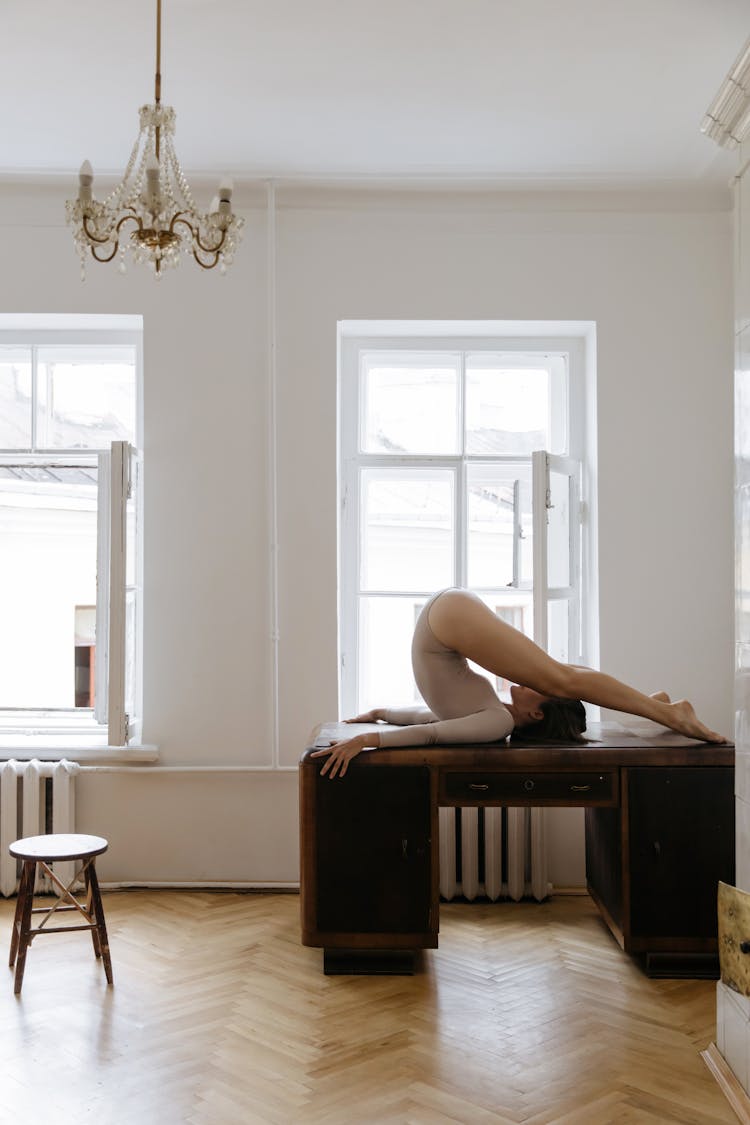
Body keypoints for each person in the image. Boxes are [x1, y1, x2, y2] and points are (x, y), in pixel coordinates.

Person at [313, 587, 727, 779]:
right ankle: (665, 711)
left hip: (448, 619)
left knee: (564, 677)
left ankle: (659, 708)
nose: (528, 683)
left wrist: (376, 725)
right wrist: (378, 724)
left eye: (540, 695)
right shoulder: (493, 716)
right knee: (563, 677)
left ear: (533, 714)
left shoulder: (497, 723)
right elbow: (435, 725)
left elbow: (432, 728)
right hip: (447, 619)